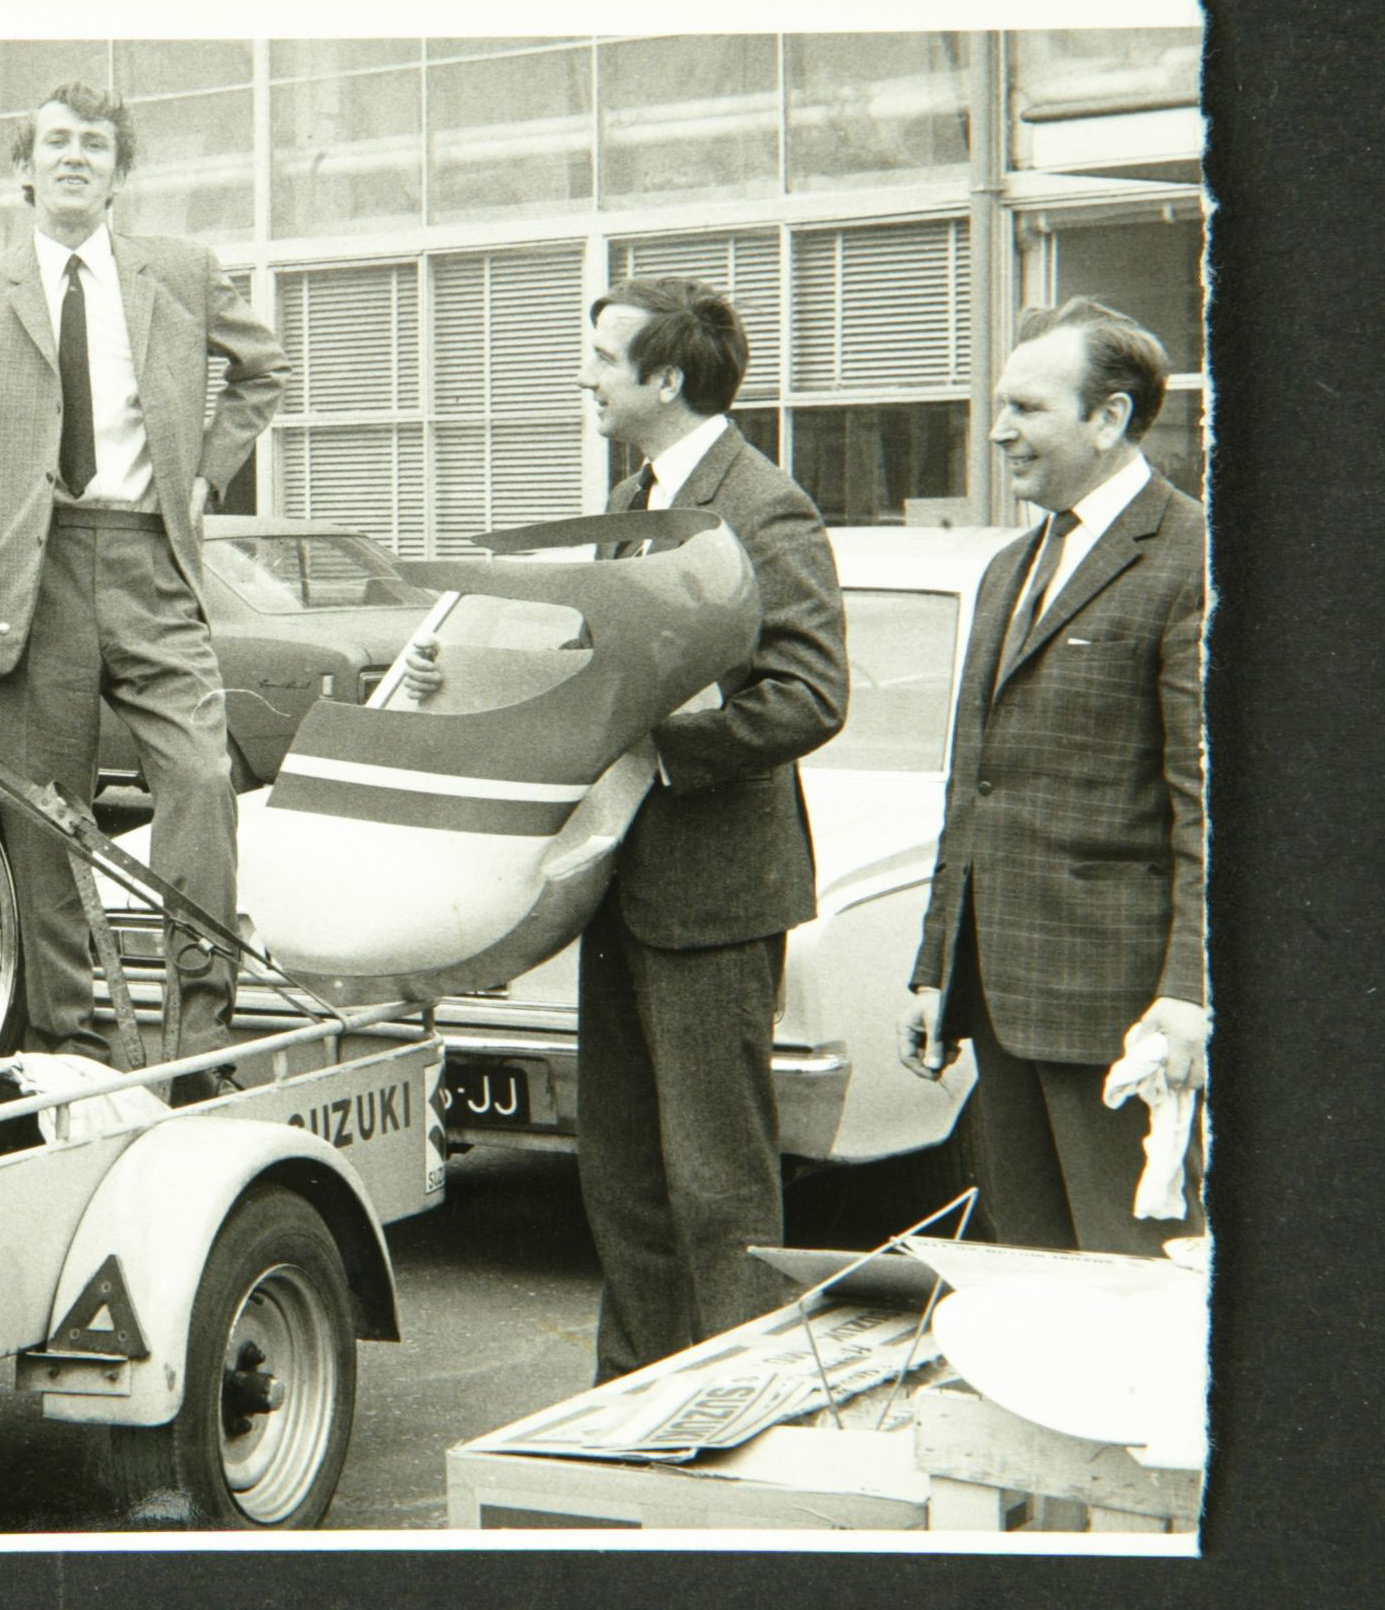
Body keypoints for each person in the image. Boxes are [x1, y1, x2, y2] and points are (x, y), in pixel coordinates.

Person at [405, 278, 846, 1382]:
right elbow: (593, 674)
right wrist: (461, 678)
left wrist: (661, 748)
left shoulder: (765, 509)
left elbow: (809, 694)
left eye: (603, 358)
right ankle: (634, 1402)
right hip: (619, 891)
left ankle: (738, 1403)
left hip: (714, 898)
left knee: (716, 1184)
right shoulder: (632, 499)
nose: (585, 376)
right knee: (625, 1178)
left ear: (667, 378)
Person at [0, 82, 287, 1095]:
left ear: (119, 171)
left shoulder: (181, 271)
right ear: (25, 167)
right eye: (56, 141)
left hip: (150, 564)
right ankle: (71, 1047)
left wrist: (206, 473)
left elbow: (262, 372)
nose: (75, 157)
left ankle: (199, 1038)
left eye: (95, 144)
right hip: (29, 583)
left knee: (199, 782)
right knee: (46, 818)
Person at [899, 297, 1207, 1255]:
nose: (998, 431)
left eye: (1026, 408)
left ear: (1109, 418)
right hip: (1001, 1004)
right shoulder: (1009, 566)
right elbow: (974, 786)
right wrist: (936, 969)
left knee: (1130, 1278)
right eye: (1001, 405)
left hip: (1123, 1014)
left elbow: (1212, 806)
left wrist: (1190, 993)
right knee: (1030, 1274)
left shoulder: (1195, 559)